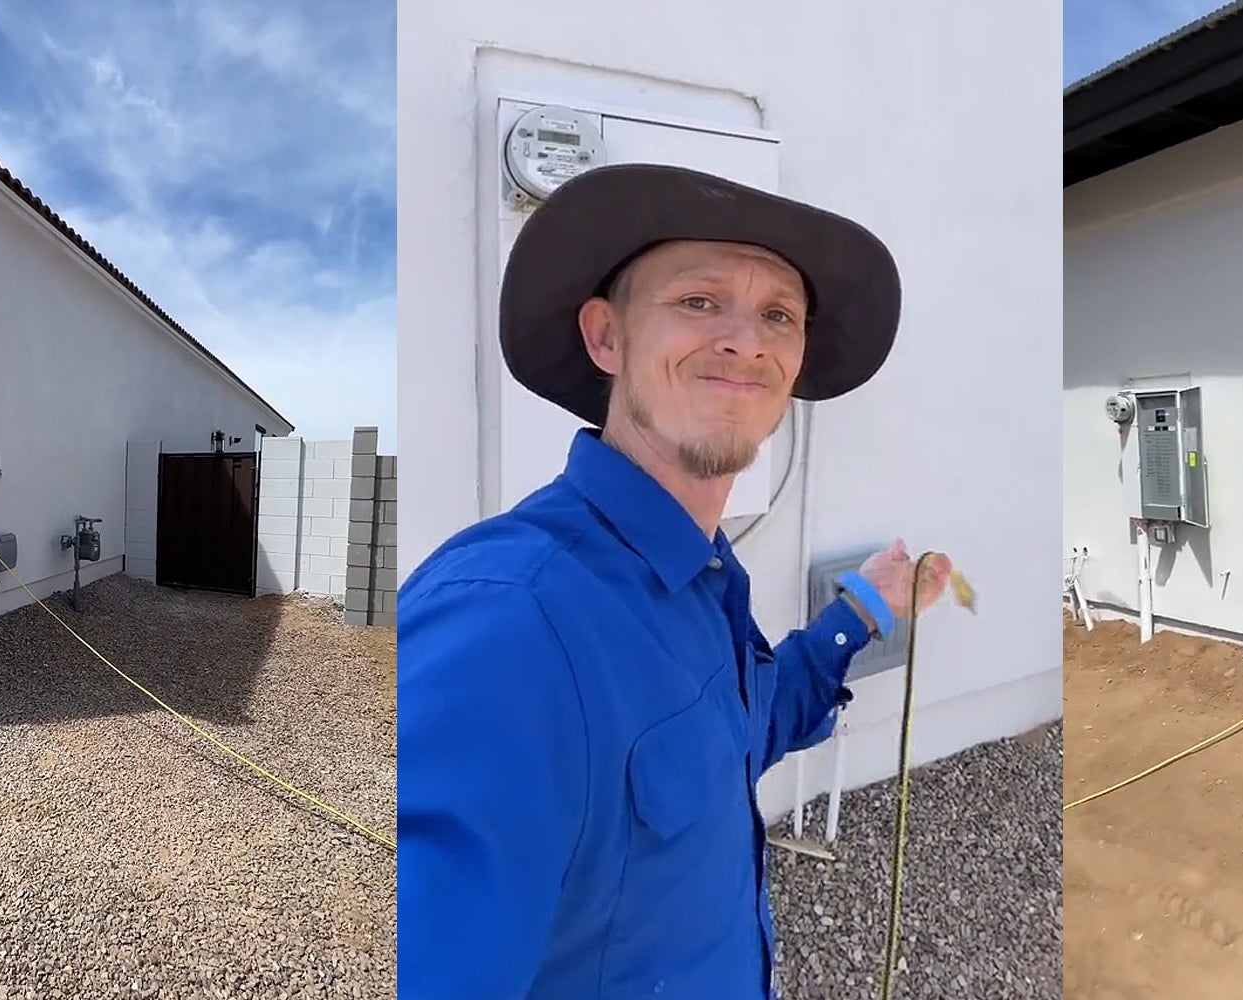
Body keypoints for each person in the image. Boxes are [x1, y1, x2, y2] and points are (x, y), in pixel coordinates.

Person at [397, 162, 953, 999]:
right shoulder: (504, 625)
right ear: (607, 338)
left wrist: (869, 608)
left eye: (778, 315)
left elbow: (744, 730)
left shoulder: (704, 581)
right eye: (699, 301)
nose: (746, 340)